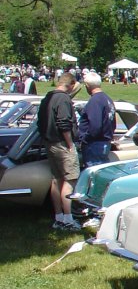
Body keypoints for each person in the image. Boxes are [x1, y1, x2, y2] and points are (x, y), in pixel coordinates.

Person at [37, 72, 81, 230]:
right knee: (70, 180)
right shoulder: (63, 99)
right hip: (62, 143)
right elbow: (64, 123)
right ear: (70, 84)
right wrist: (70, 144)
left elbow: (39, 122)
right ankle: (68, 219)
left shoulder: (48, 97)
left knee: (56, 180)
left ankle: (59, 216)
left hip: (50, 143)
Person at [78, 72, 117, 168]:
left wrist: (84, 139)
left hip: (94, 145)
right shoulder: (107, 99)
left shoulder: (95, 101)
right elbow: (113, 123)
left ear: (87, 85)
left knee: (94, 173)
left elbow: (95, 126)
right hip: (104, 142)